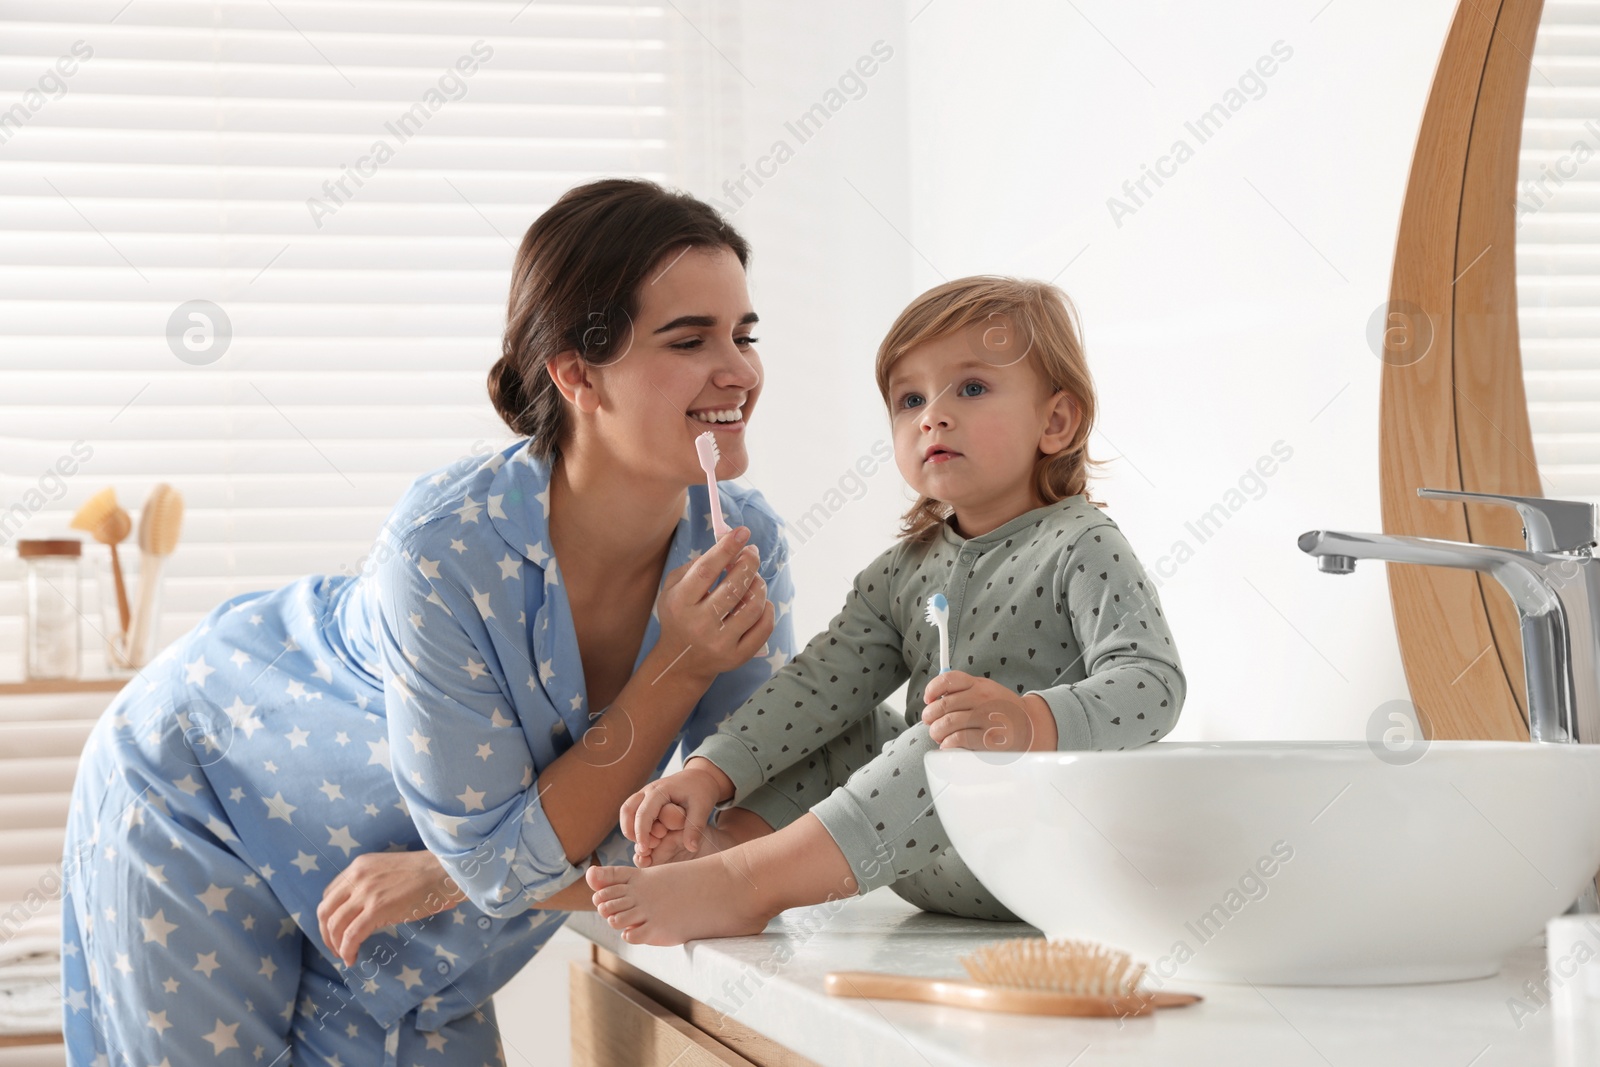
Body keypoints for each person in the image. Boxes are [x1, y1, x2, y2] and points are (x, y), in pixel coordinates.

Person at [59, 178, 791, 1065]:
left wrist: (454, 873)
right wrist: (677, 666)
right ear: (575, 373)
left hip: (405, 885)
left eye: (744, 335)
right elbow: (500, 865)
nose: (741, 371)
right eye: (691, 338)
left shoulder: (740, 546)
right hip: (204, 788)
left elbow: (752, 833)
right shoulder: (445, 544)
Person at [586, 276, 1187, 945]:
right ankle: (724, 850)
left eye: (972, 387)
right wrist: (707, 773)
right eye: (909, 399)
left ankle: (751, 884)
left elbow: (1153, 685)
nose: (932, 414)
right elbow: (814, 690)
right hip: (921, 859)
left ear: (1055, 422)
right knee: (846, 725)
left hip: (1039, 857)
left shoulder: (1081, 544)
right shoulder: (901, 572)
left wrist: (1029, 721)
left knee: (953, 737)